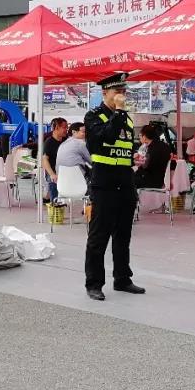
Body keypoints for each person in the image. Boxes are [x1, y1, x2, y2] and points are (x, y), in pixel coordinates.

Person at [83, 73, 144, 301]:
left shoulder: (126, 119)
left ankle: (123, 278)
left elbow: (123, 146)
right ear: (105, 93)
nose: (122, 95)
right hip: (104, 184)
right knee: (99, 237)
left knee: (123, 235)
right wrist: (118, 111)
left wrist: (133, 157)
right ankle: (94, 283)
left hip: (125, 183)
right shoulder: (93, 116)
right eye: (117, 91)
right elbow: (106, 138)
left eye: (124, 91)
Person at [133, 125, 171, 189]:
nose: (139, 138)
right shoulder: (165, 146)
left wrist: (136, 160)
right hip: (160, 180)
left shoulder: (150, 149)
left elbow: (146, 166)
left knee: (127, 179)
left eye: (140, 136)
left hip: (150, 181)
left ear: (144, 136)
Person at [41, 118, 68, 202]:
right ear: (56, 128)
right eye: (64, 127)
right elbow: (45, 160)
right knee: (55, 196)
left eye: (67, 127)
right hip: (53, 172)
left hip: (65, 171)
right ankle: (53, 204)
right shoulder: (49, 142)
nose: (66, 130)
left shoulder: (66, 140)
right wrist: (52, 174)